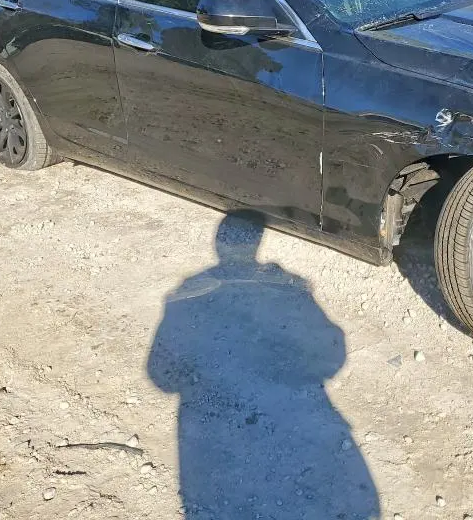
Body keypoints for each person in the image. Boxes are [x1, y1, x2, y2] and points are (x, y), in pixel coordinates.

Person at [147, 211, 379, 519]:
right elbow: (333, 350)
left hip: (216, 446)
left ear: (220, 246)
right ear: (256, 245)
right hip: (293, 435)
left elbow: (160, 375)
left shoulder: (187, 294)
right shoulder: (289, 288)